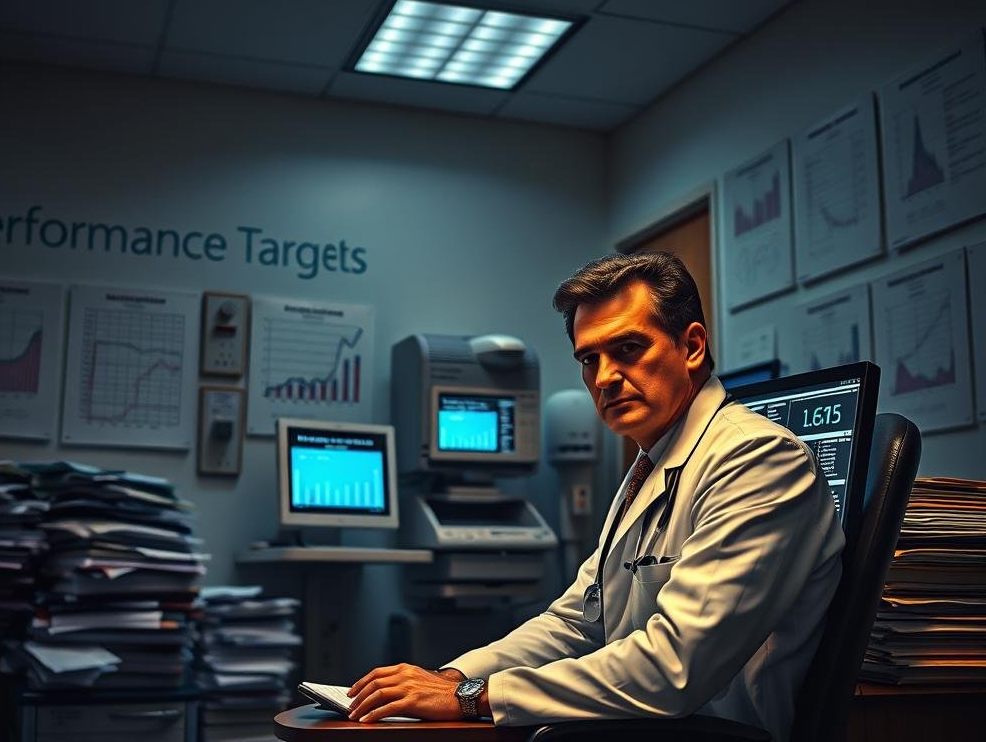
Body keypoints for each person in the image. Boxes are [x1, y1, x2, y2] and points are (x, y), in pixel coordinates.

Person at [347, 251, 844, 741]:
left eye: (628, 348)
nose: (604, 376)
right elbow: (576, 622)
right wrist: (453, 680)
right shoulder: (651, 464)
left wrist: (473, 698)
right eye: (590, 358)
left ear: (692, 347)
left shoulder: (756, 459)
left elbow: (674, 667)